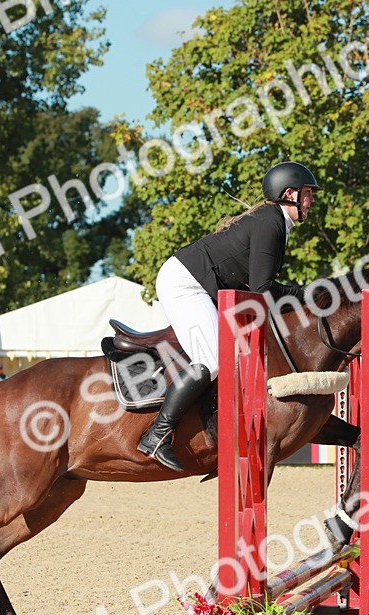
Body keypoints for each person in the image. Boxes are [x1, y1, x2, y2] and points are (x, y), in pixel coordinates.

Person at [136, 161, 321, 471]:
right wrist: (305, 294)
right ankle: (157, 434)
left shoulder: (275, 222)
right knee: (212, 360)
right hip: (186, 282)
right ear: (289, 194)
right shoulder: (270, 222)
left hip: (202, 284)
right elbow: (262, 289)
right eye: (307, 194)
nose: (311, 200)